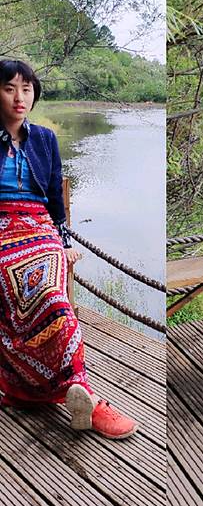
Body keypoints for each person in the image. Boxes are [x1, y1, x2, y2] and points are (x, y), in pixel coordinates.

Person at [0, 59, 138, 439]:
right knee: (13, 293)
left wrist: (64, 241)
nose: (19, 97)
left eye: (26, 89)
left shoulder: (44, 139)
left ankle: (80, 391)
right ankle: (53, 390)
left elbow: (54, 199)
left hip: (39, 228)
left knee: (52, 298)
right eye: (9, 89)